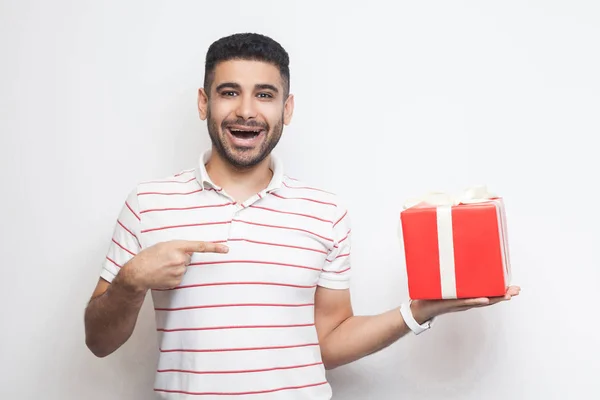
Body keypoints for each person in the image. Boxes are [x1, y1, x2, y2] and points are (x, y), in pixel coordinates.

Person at [84, 32, 520, 399]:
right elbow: (99, 343)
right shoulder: (148, 203)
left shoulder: (324, 211)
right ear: (204, 102)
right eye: (229, 92)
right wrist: (130, 281)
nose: (247, 111)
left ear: (286, 110)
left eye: (265, 95)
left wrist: (421, 310)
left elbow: (327, 341)